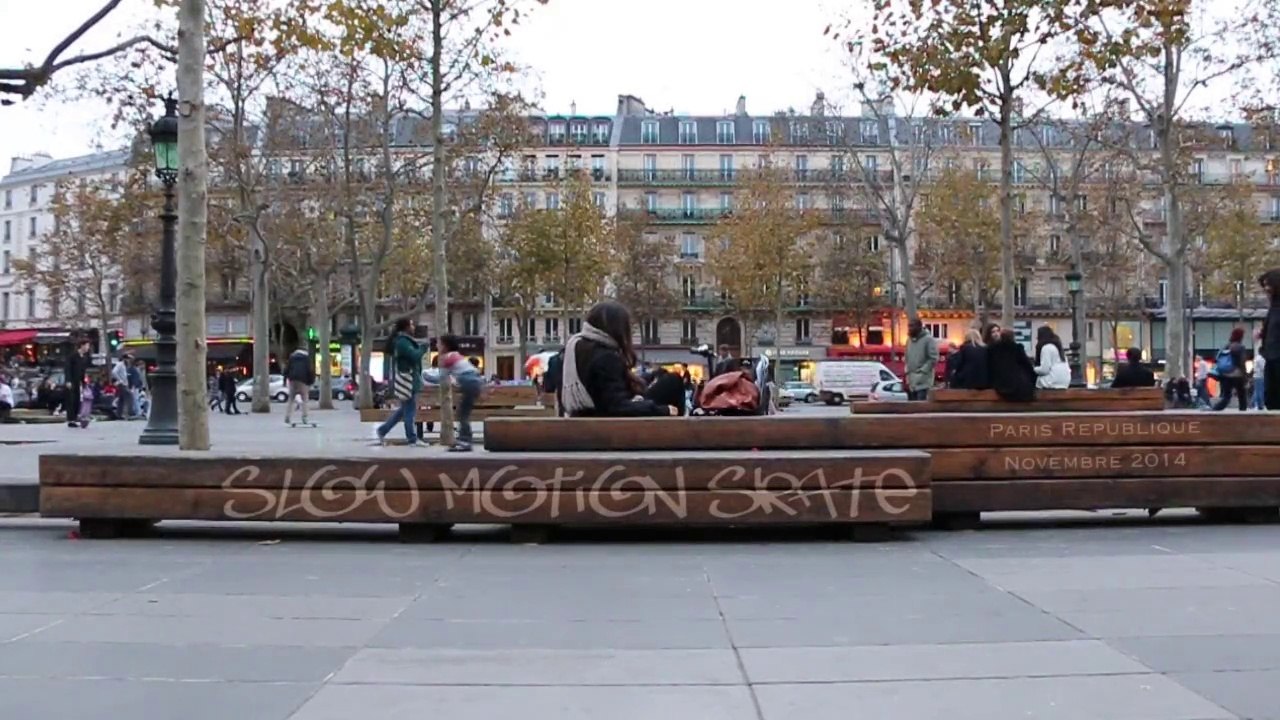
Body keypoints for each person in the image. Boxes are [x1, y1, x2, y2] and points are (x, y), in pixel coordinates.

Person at [558, 301, 678, 417]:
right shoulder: (605, 357)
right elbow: (616, 406)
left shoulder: (577, 349)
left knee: (668, 381)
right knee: (673, 382)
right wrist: (663, 410)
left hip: (588, 419)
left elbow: (610, 387)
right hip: (608, 425)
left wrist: (651, 375)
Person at [376, 317, 428, 445]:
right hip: (408, 381)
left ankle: (382, 430)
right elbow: (414, 356)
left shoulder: (402, 341)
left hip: (407, 379)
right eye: (411, 324)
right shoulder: (403, 342)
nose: (413, 327)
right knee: (410, 410)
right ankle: (412, 438)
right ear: (406, 327)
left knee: (403, 410)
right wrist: (422, 349)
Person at [437, 334, 484, 452]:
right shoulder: (456, 355)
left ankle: (465, 441)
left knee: (462, 414)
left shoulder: (447, 357)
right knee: (463, 412)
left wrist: (423, 376)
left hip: (468, 382)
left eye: (440, 344)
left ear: (445, 346)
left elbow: (441, 377)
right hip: (474, 381)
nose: (438, 346)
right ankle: (464, 439)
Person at [987, 329, 1037, 402]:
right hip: (1016, 385)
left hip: (1000, 385)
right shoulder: (1017, 348)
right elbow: (1027, 365)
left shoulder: (993, 348)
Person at [1212, 327, 1248, 412]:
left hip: (1225, 374)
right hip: (1237, 374)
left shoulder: (1226, 346)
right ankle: (1243, 415)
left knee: (1226, 397)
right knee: (1242, 396)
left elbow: (1217, 359)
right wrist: (1245, 376)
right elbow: (1242, 363)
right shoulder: (1240, 347)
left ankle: (1215, 409)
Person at [905, 318, 939, 401]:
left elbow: (933, 358)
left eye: (912, 326)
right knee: (911, 410)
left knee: (921, 409)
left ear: (919, 327)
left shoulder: (929, 340)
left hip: (924, 383)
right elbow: (907, 358)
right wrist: (907, 371)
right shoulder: (908, 341)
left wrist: (922, 371)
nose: (910, 328)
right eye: (909, 326)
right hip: (911, 383)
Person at [1261, 269, 1280, 410]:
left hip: (1276, 354)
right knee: (1271, 396)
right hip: (1271, 355)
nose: (1266, 289)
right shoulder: (1273, 307)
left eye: (1269, 285)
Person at [283, 346, 316, 426]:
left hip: (293, 380)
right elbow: (309, 371)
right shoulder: (306, 359)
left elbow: (286, 369)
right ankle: (304, 417)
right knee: (305, 398)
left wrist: (286, 379)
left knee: (291, 399)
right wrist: (310, 382)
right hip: (303, 380)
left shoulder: (292, 357)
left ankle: (287, 416)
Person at [64, 340, 91, 428]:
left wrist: (85, 382)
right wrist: (68, 380)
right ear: (82, 346)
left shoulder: (84, 357)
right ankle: (70, 419)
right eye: (87, 346)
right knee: (71, 400)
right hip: (71, 380)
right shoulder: (72, 356)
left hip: (79, 381)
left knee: (77, 400)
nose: (88, 348)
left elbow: (83, 371)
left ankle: (75, 418)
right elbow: (67, 368)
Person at [1252, 339, 1267, 410]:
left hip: (1256, 376)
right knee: (1260, 391)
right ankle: (1259, 405)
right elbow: (1263, 368)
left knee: (1256, 390)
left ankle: (1254, 404)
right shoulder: (1261, 359)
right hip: (1260, 376)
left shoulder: (1256, 358)